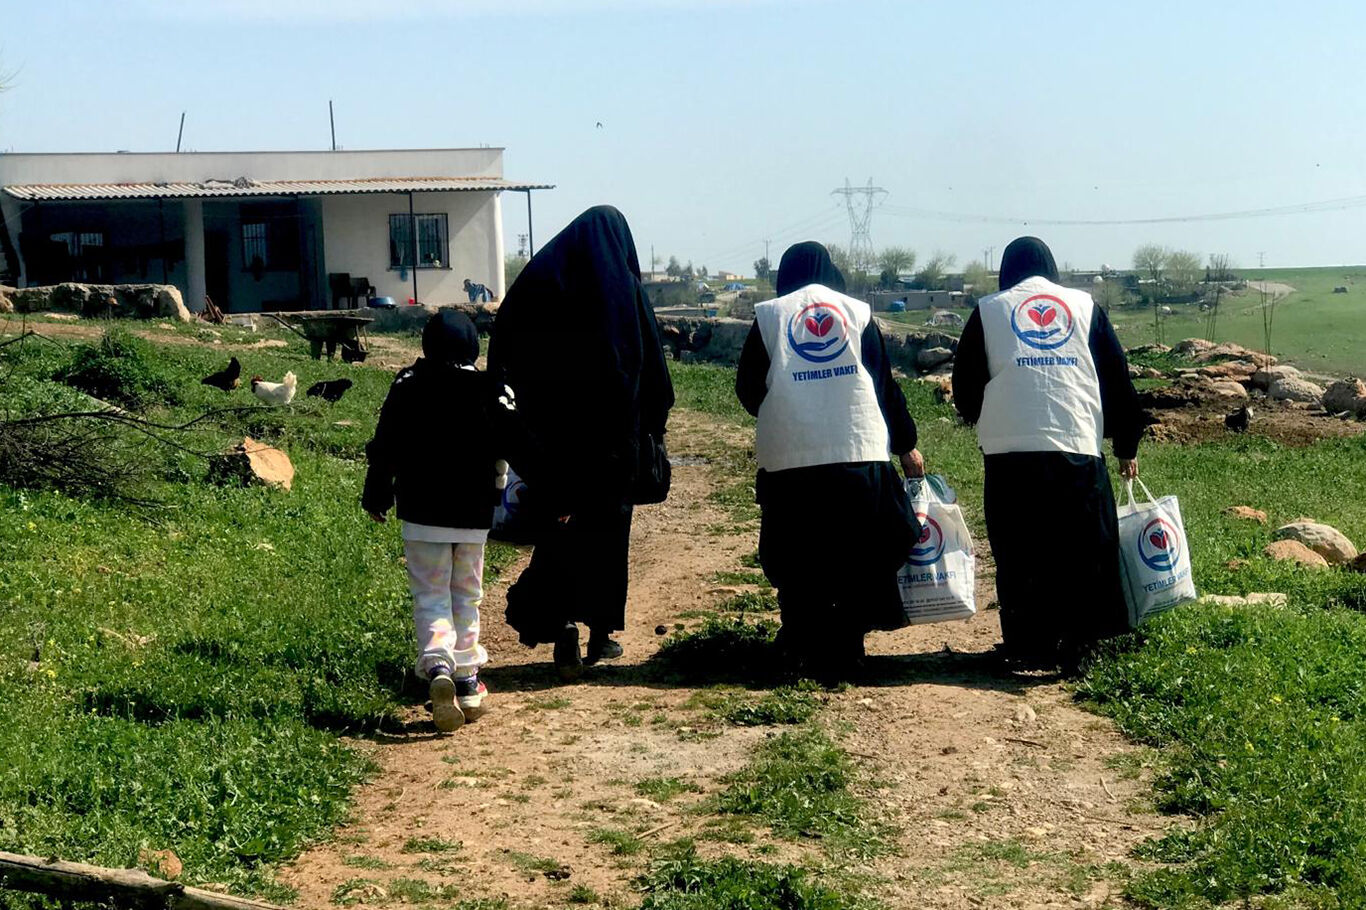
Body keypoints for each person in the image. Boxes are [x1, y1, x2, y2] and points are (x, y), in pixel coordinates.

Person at [488, 205, 675, 680]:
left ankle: (561, 622)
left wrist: (523, 427)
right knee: (608, 536)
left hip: (555, 444)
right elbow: (654, 371)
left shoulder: (540, 283)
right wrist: (653, 424)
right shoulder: (626, 292)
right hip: (615, 445)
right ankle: (600, 633)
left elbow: (503, 351)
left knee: (560, 530)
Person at [951, 236, 1143, 669]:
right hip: (1076, 445)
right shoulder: (1085, 307)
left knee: (1020, 550)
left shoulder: (988, 310)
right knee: (1082, 549)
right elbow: (1116, 378)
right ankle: (1081, 645)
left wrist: (983, 414)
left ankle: (1028, 643)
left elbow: (965, 386)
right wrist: (1126, 443)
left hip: (1010, 453)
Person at [735, 241, 925, 679]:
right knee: (855, 553)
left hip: (791, 460)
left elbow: (748, 388)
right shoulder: (857, 314)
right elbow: (883, 386)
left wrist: (787, 408)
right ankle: (848, 647)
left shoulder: (770, 316)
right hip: (857, 454)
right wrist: (905, 443)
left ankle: (800, 644)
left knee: (798, 555)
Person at [362, 310, 506, 731]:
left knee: (430, 595)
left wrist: (377, 494)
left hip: (422, 513)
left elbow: (385, 444)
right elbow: (513, 442)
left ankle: (438, 665)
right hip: (473, 515)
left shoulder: (407, 383)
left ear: (426, 345)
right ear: (473, 347)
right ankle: (467, 681)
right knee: (467, 595)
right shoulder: (491, 388)